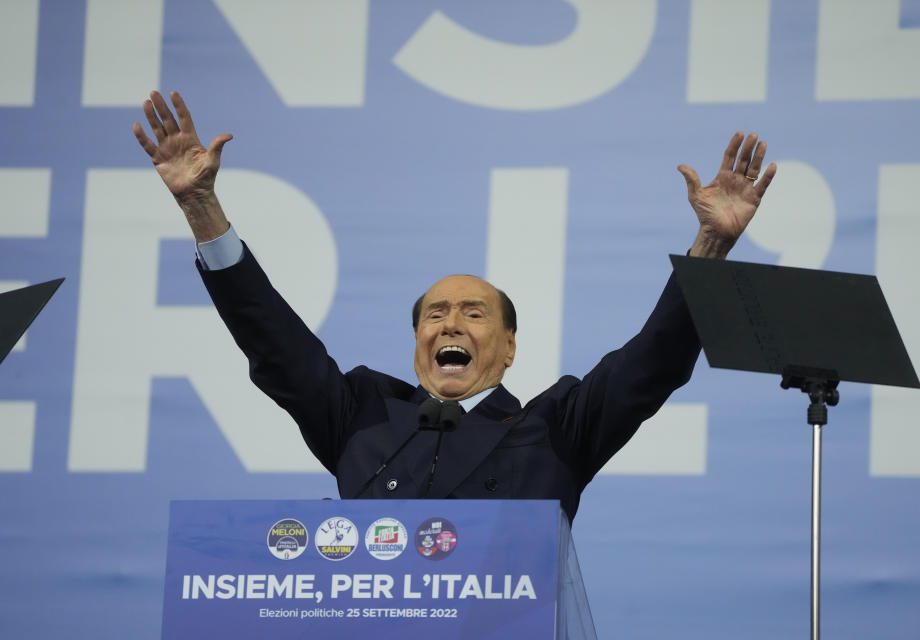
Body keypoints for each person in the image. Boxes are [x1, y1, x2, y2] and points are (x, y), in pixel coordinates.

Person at [134, 91, 776, 521]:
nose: (450, 322)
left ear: (509, 347)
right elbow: (272, 340)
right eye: (435, 313)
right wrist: (202, 210)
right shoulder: (359, 414)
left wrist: (711, 243)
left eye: (474, 313)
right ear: (416, 339)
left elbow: (652, 364)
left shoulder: (556, 427)